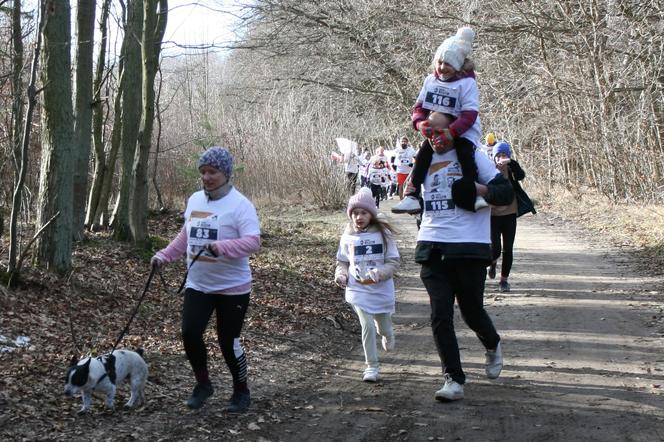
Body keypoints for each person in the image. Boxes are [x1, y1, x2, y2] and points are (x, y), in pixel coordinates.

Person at [410, 121, 515, 401]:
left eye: (439, 131)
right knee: (439, 315)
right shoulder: (425, 158)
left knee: (471, 311)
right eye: (428, 132)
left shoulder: (473, 155)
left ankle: (492, 344)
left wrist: (478, 190)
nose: (434, 138)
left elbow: (505, 193)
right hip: (432, 245)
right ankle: (453, 379)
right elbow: (412, 193)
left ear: (453, 130)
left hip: (470, 246)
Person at [151, 146, 261, 413]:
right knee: (190, 333)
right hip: (199, 284)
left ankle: (241, 390)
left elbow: (253, 242)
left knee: (228, 342)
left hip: (232, 287)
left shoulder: (240, 205)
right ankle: (203, 384)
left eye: (212, 172)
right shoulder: (195, 200)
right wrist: (164, 255)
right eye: (203, 172)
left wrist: (221, 248)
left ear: (225, 173)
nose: (207, 177)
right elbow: (186, 235)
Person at [393, 27, 488, 215]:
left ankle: (474, 192)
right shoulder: (430, 80)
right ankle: (412, 196)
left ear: (459, 65)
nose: (442, 68)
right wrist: (420, 124)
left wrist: (451, 132)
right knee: (423, 154)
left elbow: (470, 114)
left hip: (463, 129)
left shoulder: (466, 83)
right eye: (440, 62)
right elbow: (419, 108)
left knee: (464, 154)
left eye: (448, 64)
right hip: (436, 129)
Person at [334, 187, 400, 382]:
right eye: (354, 213)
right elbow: (342, 261)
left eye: (363, 212)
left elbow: (394, 262)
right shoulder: (347, 236)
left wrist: (381, 273)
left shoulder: (384, 234)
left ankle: (388, 334)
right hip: (357, 289)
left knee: (383, 327)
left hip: (380, 288)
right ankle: (371, 366)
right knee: (367, 326)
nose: (358, 217)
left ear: (371, 213)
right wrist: (341, 275)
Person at [488, 141, 536, 292]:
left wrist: (512, 163)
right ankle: (493, 262)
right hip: (492, 215)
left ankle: (504, 281)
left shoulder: (511, 169)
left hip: (509, 214)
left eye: (504, 155)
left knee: (508, 249)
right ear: (494, 157)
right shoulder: (488, 170)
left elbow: (521, 176)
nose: (501, 158)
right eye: (498, 155)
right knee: (495, 248)